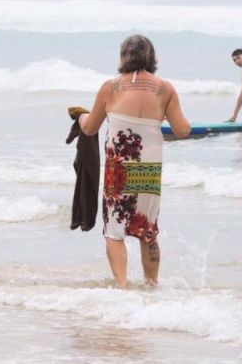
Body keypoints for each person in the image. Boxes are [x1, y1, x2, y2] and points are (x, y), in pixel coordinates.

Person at [78, 35, 190, 289]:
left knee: (114, 230)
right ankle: (152, 286)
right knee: (147, 228)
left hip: (119, 168)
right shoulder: (165, 89)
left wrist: (82, 116)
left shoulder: (111, 87)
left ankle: (122, 287)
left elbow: (90, 128)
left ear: (123, 56)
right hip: (150, 169)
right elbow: (182, 130)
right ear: (152, 57)